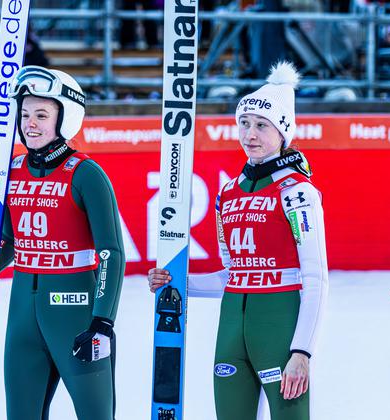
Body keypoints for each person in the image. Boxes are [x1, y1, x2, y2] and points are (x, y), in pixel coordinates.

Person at [149, 61, 328, 420]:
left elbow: (315, 278)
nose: (250, 134)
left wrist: (302, 352)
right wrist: (177, 283)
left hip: (279, 330)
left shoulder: (298, 192)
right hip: (231, 331)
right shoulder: (228, 193)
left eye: (262, 126)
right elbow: (232, 275)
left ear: (282, 132)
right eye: (244, 124)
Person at [0, 66, 125, 420]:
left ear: (66, 119)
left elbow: (112, 253)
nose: (30, 123)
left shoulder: (86, 174)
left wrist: (102, 322)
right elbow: (5, 244)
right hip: (22, 316)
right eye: (25, 114)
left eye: (41, 115)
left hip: (76, 314)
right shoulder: (10, 170)